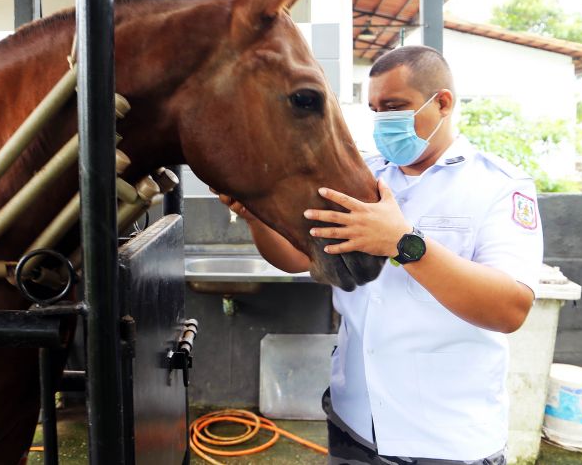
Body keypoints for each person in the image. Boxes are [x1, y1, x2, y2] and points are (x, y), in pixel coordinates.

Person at [216, 45, 543, 464]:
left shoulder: (497, 185)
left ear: (442, 102)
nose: (382, 120)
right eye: (375, 108)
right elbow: (300, 258)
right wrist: (255, 217)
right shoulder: (360, 176)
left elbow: (509, 309)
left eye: (394, 106)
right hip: (355, 419)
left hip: (445, 435)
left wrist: (403, 243)